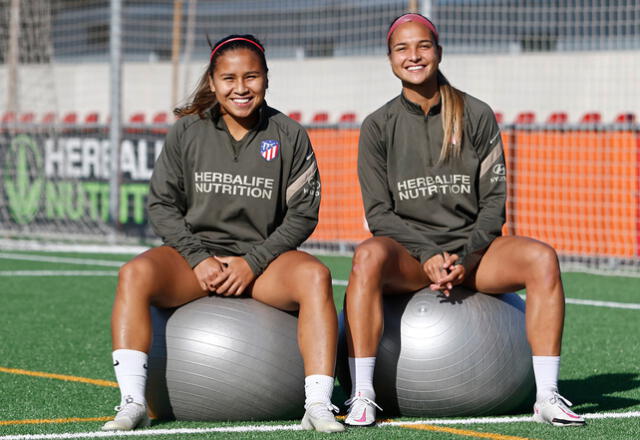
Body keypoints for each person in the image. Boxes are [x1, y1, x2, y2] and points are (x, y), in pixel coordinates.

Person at [342, 14, 585, 428]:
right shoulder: (378, 126)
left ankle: (546, 396)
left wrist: (466, 257)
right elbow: (378, 213)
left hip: (473, 255)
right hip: (410, 256)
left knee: (541, 257)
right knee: (367, 257)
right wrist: (426, 254)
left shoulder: (474, 113)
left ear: (438, 51)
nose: (413, 56)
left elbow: (494, 203)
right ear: (389, 59)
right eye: (402, 48)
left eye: (423, 46)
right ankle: (362, 395)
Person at [102, 34, 344, 433]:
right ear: (212, 83)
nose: (241, 87)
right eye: (229, 78)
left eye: (251, 76)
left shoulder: (289, 134)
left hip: (264, 262)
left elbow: (303, 214)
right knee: (134, 274)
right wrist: (197, 258)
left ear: (266, 78)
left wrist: (254, 262)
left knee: (315, 276)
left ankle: (318, 404)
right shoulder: (187, 131)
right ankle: (132, 403)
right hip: (196, 261)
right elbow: (162, 205)